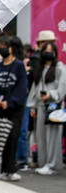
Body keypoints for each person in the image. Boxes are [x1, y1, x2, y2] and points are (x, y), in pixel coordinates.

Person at [0, 36, 29, 181]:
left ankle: (10, 169)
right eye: (0, 46)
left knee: (13, 136)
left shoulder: (19, 65)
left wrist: (10, 102)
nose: (2, 49)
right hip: (0, 108)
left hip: (14, 109)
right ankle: (1, 168)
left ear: (12, 48)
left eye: (5, 46)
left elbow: (22, 88)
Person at [27, 41, 66, 175]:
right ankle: (43, 162)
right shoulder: (41, 68)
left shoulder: (60, 68)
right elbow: (35, 88)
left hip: (54, 105)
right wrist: (32, 106)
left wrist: (51, 94)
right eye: (45, 50)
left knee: (53, 135)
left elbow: (62, 87)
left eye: (51, 50)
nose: (48, 52)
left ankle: (52, 164)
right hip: (41, 105)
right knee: (41, 134)